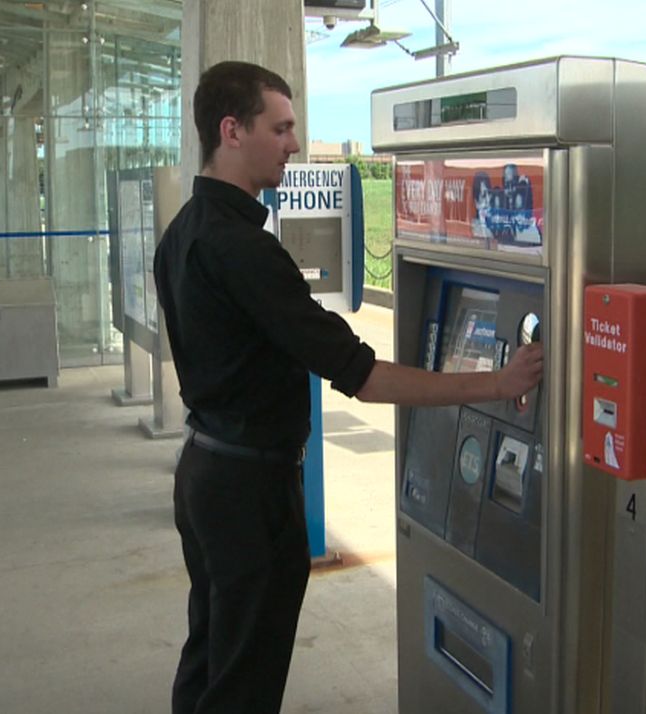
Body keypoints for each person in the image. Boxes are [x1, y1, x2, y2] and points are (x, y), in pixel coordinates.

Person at [153, 61, 544, 714]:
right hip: (250, 494)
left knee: (212, 654)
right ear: (231, 130)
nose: (294, 144)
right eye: (280, 128)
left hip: (204, 475)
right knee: (246, 679)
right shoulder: (245, 251)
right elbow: (362, 376)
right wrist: (495, 382)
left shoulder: (183, 234)